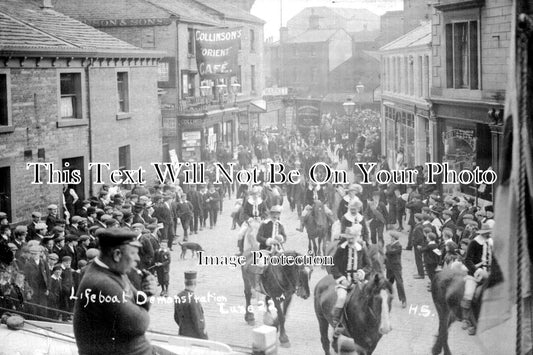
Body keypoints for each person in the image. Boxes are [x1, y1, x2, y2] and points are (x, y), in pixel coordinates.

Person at [73, 228, 158, 355]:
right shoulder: (102, 283)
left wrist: (147, 294)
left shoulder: (114, 271)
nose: (138, 259)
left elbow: (141, 306)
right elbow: (141, 323)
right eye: (133, 253)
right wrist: (145, 298)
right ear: (117, 255)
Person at [330, 224, 372, 327]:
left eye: (352, 238)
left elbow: (369, 265)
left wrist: (362, 272)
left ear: (356, 238)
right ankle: (337, 319)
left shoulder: (361, 248)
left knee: (370, 296)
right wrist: (342, 279)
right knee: (341, 297)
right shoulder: (341, 249)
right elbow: (333, 266)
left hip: (359, 281)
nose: (350, 240)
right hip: (345, 281)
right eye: (348, 238)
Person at [461, 223, 493, 336]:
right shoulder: (474, 243)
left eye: (489, 232)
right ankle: (466, 319)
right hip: (475, 273)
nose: (489, 234)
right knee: (469, 294)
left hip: (489, 272)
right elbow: (467, 260)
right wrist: (476, 270)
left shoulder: (491, 242)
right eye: (487, 233)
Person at [174, 271, 208, 339]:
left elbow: (176, 317)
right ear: (195, 283)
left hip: (182, 334)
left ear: (185, 283)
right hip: (194, 338)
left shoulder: (178, 296)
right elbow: (199, 324)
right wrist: (205, 338)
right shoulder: (193, 300)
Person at [385, 231, 406, 308]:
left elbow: (389, 251)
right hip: (389, 267)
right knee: (389, 283)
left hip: (396, 268)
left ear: (393, 238)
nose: (390, 239)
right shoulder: (391, 245)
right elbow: (386, 255)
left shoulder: (398, 246)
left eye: (391, 237)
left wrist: (388, 246)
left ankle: (403, 300)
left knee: (399, 283)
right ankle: (388, 298)